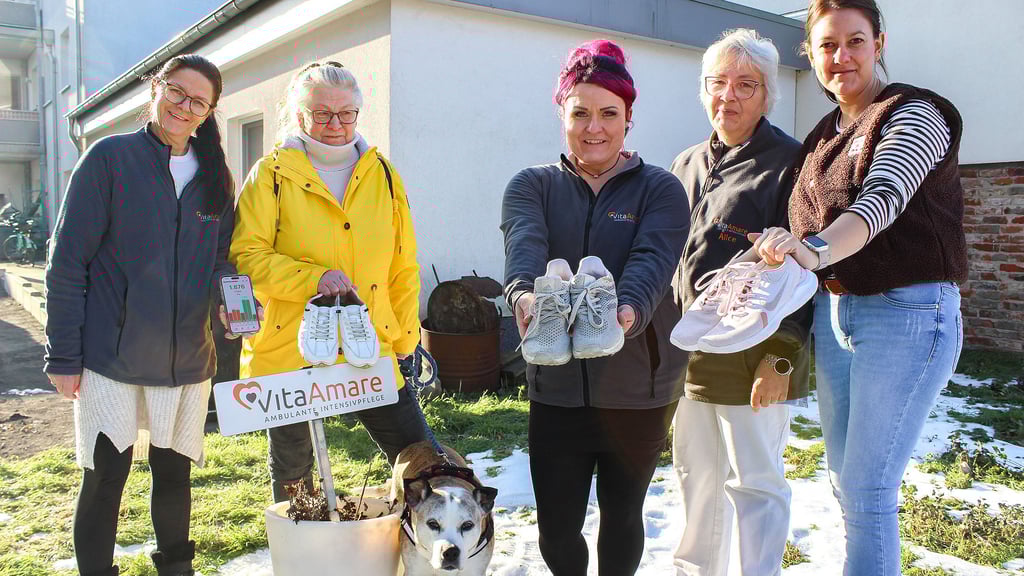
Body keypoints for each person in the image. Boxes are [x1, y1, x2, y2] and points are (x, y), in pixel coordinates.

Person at [751, 1, 966, 573]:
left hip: (909, 313)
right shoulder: (822, 136)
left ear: (879, 43)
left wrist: (815, 248)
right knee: (845, 479)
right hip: (837, 313)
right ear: (810, 54)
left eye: (855, 41)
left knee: (869, 486)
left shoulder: (916, 111)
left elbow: (882, 199)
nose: (841, 56)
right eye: (827, 45)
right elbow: (800, 226)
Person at [501, 39, 689, 575]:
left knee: (622, 517)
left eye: (609, 113)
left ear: (629, 118)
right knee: (557, 529)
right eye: (580, 112)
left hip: (637, 389)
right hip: (557, 389)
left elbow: (653, 260)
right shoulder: (531, 185)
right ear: (562, 113)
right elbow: (525, 246)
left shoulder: (661, 189)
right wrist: (523, 296)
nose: (594, 127)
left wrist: (626, 310)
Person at [44, 54, 236, 576]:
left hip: (186, 361)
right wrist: (63, 354)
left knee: (174, 474)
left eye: (198, 101)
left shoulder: (216, 175)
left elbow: (220, 260)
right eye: (176, 92)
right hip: (111, 358)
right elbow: (67, 261)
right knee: (106, 475)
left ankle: (176, 569)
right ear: (156, 87)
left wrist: (232, 297)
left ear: (210, 112)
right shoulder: (109, 158)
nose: (183, 106)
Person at [230, 60, 426, 503]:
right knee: (295, 479)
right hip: (289, 350)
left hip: (369, 341)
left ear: (358, 113)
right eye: (321, 114)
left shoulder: (385, 175)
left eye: (345, 113)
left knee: (417, 459)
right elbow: (247, 255)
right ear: (299, 116)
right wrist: (313, 278)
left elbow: (403, 264)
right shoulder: (270, 175)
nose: (334, 124)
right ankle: (305, 558)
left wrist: (407, 336)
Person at [669, 29, 811, 576]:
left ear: (768, 95)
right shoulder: (684, 164)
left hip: (757, 356)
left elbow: (802, 272)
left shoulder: (791, 164)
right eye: (717, 83)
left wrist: (780, 360)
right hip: (690, 353)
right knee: (695, 477)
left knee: (755, 482)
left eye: (745, 85)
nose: (728, 96)